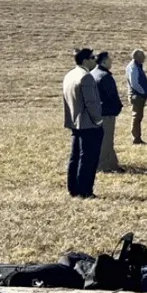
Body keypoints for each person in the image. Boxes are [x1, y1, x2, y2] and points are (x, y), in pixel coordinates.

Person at [62, 47, 103, 199]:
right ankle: (85, 190)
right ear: (85, 60)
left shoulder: (70, 75)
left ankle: (73, 188)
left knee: (75, 157)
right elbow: (91, 103)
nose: (94, 60)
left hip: (75, 122)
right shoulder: (86, 77)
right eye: (92, 57)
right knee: (88, 158)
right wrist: (98, 120)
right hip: (89, 124)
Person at [91, 51, 123, 173]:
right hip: (106, 113)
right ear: (104, 61)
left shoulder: (93, 73)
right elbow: (112, 96)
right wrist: (118, 107)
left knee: (102, 139)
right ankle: (103, 166)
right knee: (106, 140)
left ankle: (112, 163)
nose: (111, 61)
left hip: (96, 112)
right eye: (109, 59)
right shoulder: (105, 76)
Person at [126, 48, 147, 145]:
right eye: (142, 56)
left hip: (138, 95)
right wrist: (142, 92)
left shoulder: (136, 65)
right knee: (136, 116)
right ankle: (136, 138)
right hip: (136, 96)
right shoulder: (133, 67)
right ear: (137, 57)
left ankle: (137, 136)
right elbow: (134, 83)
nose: (144, 58)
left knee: (138, 116)